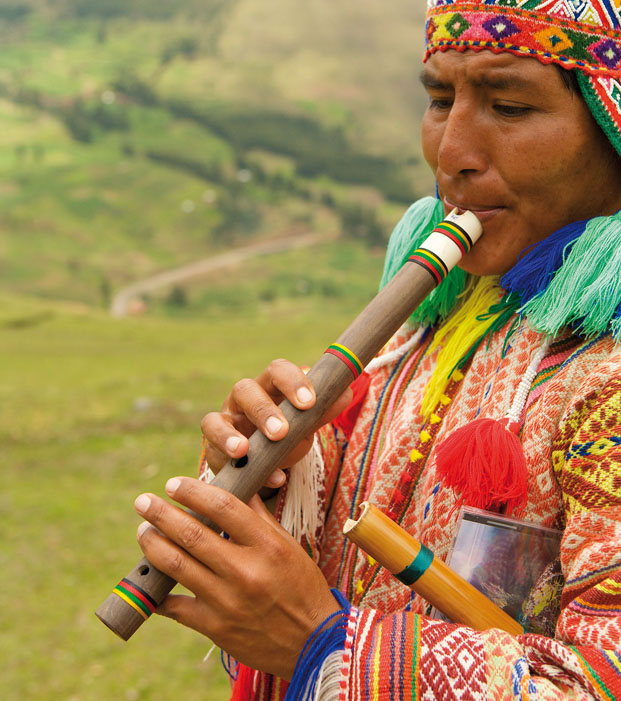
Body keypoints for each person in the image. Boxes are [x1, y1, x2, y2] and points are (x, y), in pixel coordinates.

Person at [133, 1, 621, 697]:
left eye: (508, 106)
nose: (451, 153)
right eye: (439, 98)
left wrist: (324, 643)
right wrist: (280, 490)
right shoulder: (425, 323)